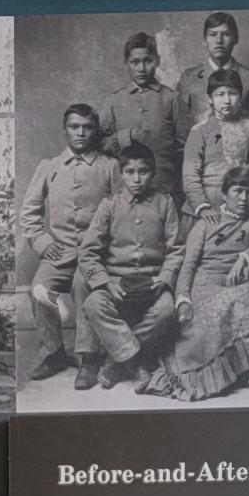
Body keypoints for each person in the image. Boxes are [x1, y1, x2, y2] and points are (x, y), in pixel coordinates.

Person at [149, 168, 249, 402]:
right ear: (223, 194)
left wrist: (245, 256)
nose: (243, 198)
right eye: (237, 191)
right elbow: (188, 265)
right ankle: (201, 377)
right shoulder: (206, 223)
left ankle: (245, 370)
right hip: (204, 282)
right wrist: (183, 299)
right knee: (202, 323)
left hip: (235, 283)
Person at [19, 102, 120, 386]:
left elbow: (123, 211)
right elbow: (29, 211)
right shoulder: (50, 167)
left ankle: (88, 359)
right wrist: (41, 242)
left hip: (96, 254)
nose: (81, 133)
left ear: (95, 131)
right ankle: (53, 353)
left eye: (87, 128)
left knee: (81, 285)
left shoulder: (109, 167)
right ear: (65, 130)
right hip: (59, 251)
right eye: (75, 127)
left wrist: (106, 247)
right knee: (39, 287)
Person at [76, 144, 183, 393]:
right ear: (121, 173)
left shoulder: (165, 204)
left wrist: (165, 279)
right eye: (130, 171)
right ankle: (135, 364)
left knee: (166, 311)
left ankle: (115, 361)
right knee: (93, 304)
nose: (137, 178)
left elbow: (176, 249)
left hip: (153, 282)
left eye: (143, 171)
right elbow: (88, 252)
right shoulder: (109, 205)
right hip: (117, 283)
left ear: (153, 172)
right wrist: (106, 283)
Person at [98, 32, 179, 196]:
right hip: (125, 192)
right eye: (135, 62)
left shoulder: (171, 98)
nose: (141, 68)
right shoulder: (114, 101)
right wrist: (126, 137)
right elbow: (99, 144)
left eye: (147, 61)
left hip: (165, 190)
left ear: (157, 60)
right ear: (126, 63)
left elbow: (185, 149)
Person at [181, 68, 249, 223]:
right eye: (220, 94)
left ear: (240, 96)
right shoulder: (200, 130)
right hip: (207, 211)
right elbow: (190, 174)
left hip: (241, 208)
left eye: (232, 94)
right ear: (210, 99)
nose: (227, 100)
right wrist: (202, 205)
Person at [173, 12, 249, 143]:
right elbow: (180, 128)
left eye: (226, 34)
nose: (219, 41)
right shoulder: (189, 78)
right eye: (212, 34)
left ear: (235, 39)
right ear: (204, 40)